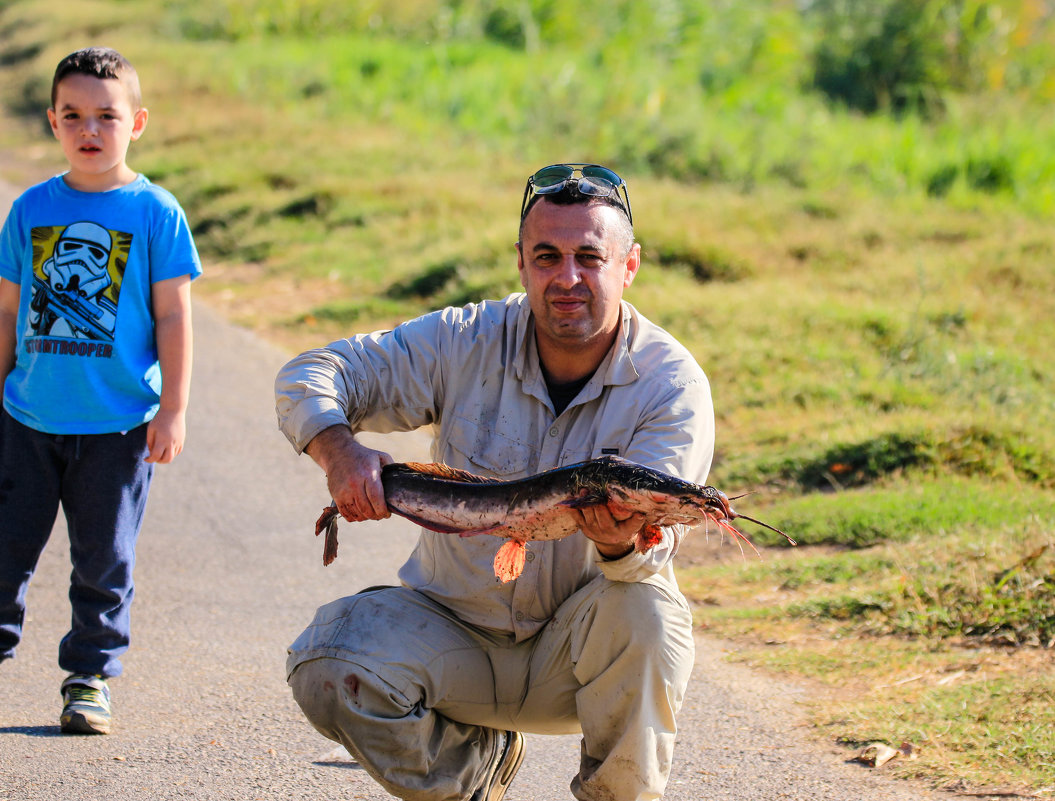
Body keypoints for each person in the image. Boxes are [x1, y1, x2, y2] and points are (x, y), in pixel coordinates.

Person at [275, 163, 714, 800]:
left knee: (648, 612)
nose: (567, 278)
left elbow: (647, 557)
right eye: (547, 257)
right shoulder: (463, 339)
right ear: (520, 262)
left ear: (630, 265)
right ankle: (473, 774)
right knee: (326, 665)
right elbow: (311, 373)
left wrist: (618, 544)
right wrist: (340, 453)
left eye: (590, 257)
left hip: (579, 653)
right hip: (454, 628)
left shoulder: (672, 384)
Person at [0, 47, 201, 735]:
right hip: (25, 418)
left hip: (116, 427)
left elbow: (173, 314)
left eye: (106, 115)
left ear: (136, 121)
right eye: (74, 115)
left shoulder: (155, 211)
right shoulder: (30, 208)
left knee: (104, 561)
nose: (90, 129)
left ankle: (88, 677)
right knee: (4, 551)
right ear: (53, 122)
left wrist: (172, 407)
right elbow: (7, 309)